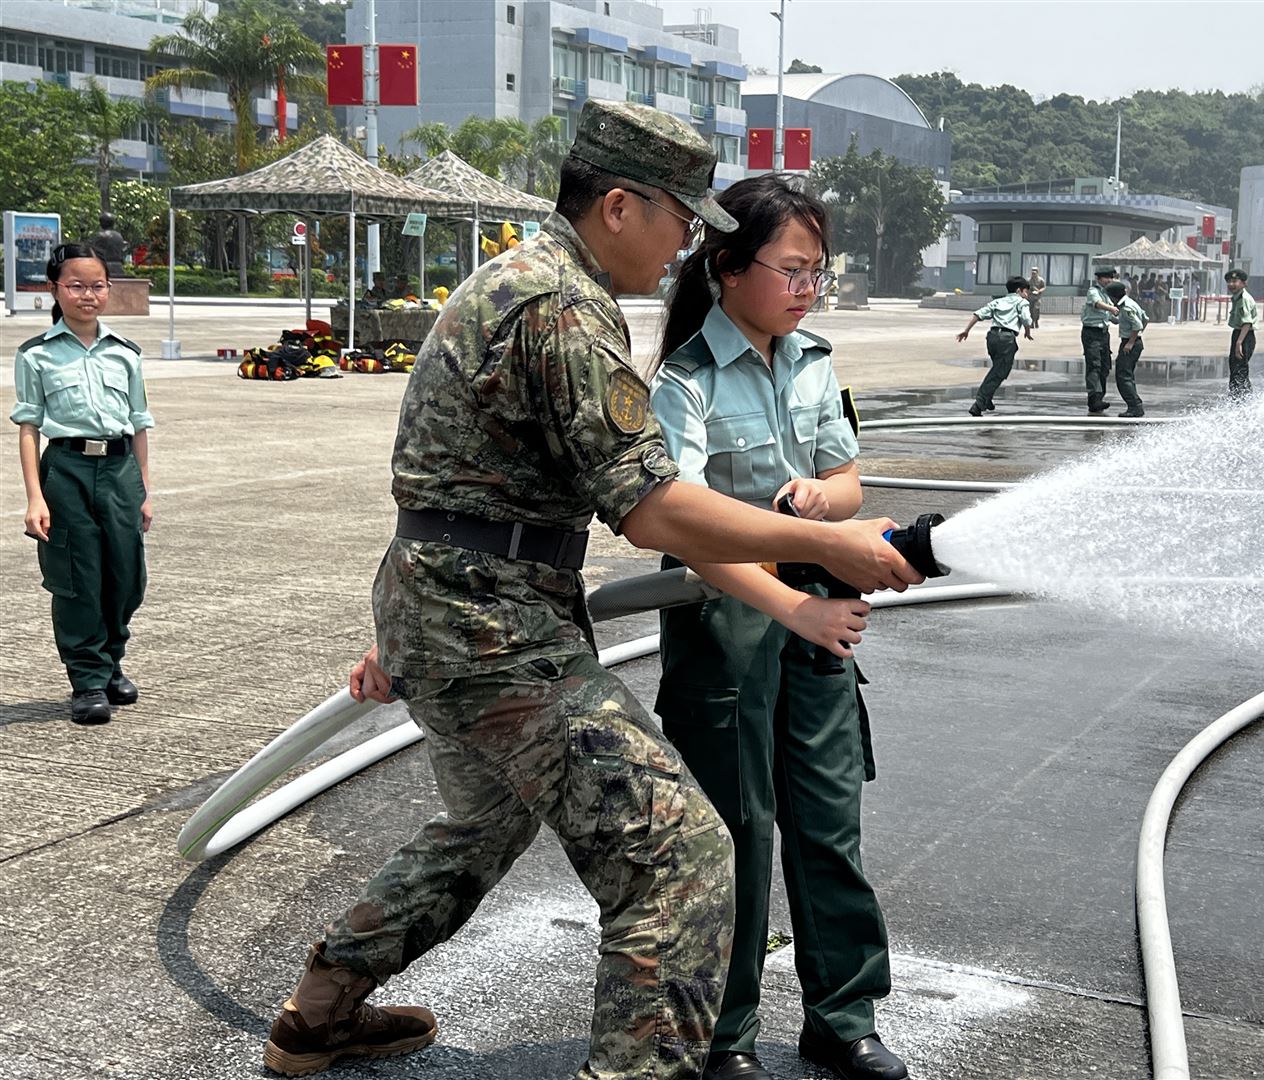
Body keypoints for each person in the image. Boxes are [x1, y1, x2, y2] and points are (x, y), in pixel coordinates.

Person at [262, 100, 922, 1080]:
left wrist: (408, 623)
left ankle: (318, 1017)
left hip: (453, 605)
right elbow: (654, 509)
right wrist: (833, 545)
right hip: (494, 629)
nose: (686, 245)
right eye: (681, 220)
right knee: (680, 854)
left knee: (480, 829)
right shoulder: (561, 305)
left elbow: (462, 487)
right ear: (619, 206)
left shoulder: (522, 285)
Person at [650, 175, 908, 1080]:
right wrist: (798, 596)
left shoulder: (812, 361)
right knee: (738, 830)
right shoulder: (683, 383)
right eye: (791, 270)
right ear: (728, 268)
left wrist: (821, 504)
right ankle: (725, 1035)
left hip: (819, 621)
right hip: (726, 623)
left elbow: (847, 480)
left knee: (829, 818)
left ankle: (843, 1017)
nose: (807, 289)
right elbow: (683, 527)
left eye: (816, 272)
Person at [11, 242, 154, 725]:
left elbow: (139, 424)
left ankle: (111, 660)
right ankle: (88, 679)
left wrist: (145, 490)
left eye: (97, 286)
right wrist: (35, 497)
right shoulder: (37, 354)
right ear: (55, 289)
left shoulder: (125, 354)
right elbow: (28, 428)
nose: (87, 295)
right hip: (66, 469)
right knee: (76, 578)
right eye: (75, 286)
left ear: (109, 289)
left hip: (119, 471)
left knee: (126, 575)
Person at [956, 275, 1033, 417]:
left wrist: (966, 330)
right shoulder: (1022, 302)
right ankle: (979, 403)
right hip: (1006, 339)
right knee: (999, 372)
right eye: (1026, 292)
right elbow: (1026, 319)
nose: (1027, 295)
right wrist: (1027, 332)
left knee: (998, 368)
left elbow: (979, 314)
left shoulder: (998, 301)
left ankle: (988, 398)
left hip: (992, 338)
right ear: (1019, 291)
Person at [1104, 280, 1148, 417]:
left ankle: (1135, 407)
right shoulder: (1130, 303)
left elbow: (1137, 325)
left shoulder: (1127, 307)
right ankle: (1135, 406)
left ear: (1113, 296)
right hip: (1134, 341)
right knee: (1127, 375)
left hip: (1130, 343)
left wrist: (1131, 342)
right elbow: (1145, 318)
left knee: (1123, 376)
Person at [1080, 266, 1120, 413]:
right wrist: (1111, 309)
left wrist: (1122, 318)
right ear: (1099, 278)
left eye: (1111, 278)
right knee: (1094, 365)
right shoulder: (1093, 291)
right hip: (1092, 332)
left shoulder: (1107, 295)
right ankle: (1094, 398)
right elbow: (1097, 304)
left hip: (1104, 333)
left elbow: (1110, 316)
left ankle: (1100, 397)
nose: (1109, 280)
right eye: (1106, 277)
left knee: (1105, 366)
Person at [1224, 268, 1258, 397]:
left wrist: (1239, 343)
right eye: (1229, 282)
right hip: (1239, 334)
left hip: (1244, 336)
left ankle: (1241, 399)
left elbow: (1247, 323)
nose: (1231, 284)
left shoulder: (1244, 299)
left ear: (1244, 283)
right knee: (1235, 368)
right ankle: (1238, 397)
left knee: (1239, 370)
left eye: (1234, 281)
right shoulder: (1237, 297)